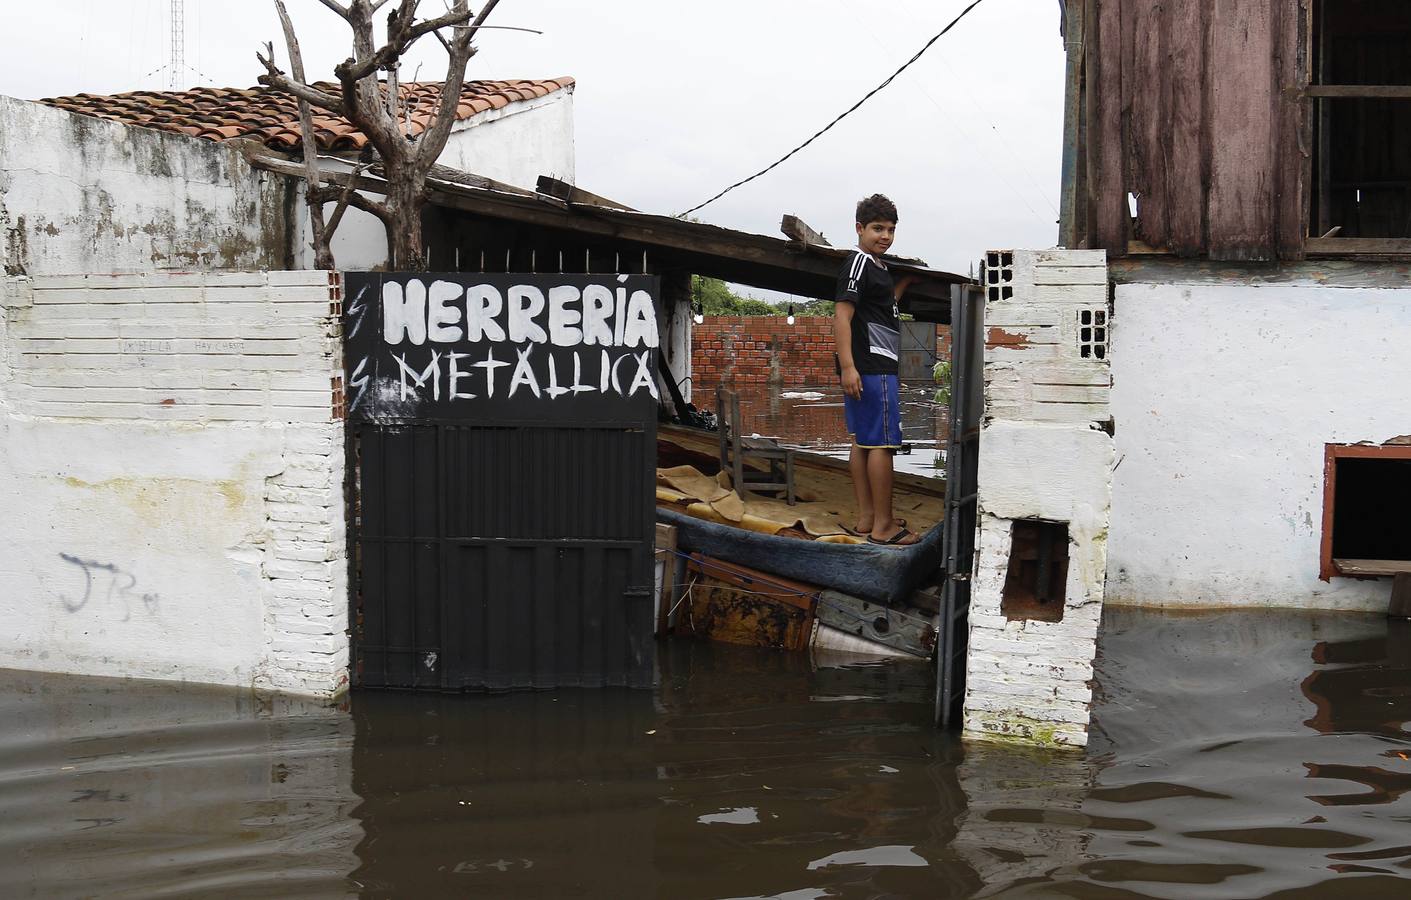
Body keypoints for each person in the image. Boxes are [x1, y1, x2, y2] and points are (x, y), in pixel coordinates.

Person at [834, 193, 918, 546]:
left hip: (871, 366)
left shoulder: (877, 268)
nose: (885, 236)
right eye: (877, 228)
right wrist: (848, 367)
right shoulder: (858, 263)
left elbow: (882, 307)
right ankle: (884, 526)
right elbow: (842, 314)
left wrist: (903, 284)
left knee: (863, 442)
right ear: (859, 229)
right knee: (882, 445)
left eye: (891, 230)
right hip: (871, 367)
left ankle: (868, 518)